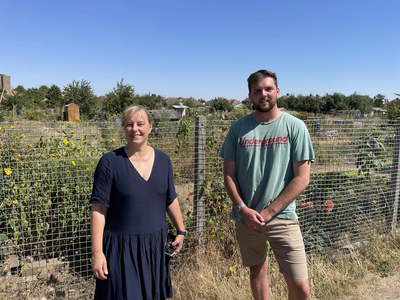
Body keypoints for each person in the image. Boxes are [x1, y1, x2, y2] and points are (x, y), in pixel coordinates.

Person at [219, 70, 314, 300]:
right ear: (250, 96)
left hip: (282, 216)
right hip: (247, 218)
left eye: (268, 89)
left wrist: (271, 210)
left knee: (301, 287)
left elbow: (302, 178)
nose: (264, 94)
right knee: (257, 273)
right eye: (257, 90)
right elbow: (228, 174)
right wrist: (243, 208)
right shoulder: (238, 129)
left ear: (277, 91)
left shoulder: (295, 126)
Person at [90, 105, 186, 300]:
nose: (135, 129)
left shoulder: (164, 160)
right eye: (129, 124)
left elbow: (170, 198)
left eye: (140, 124)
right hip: (121, 250)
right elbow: (99, 209)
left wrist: (181, 230)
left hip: (155, 247)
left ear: (150, 127)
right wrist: (97, 253)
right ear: (124, 129)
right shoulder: (109, 162)